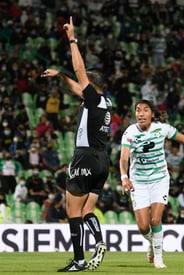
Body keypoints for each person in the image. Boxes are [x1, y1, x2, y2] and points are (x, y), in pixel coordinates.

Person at [119, 99, 184, 269]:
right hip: (138, 182)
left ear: (152, 114)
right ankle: (152, 243)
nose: (140, 113)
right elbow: (124, 158)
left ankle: (159, 258)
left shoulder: (162, 128)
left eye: (145, 110)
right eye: (138, 110)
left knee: (155, 220)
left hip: (159, 180)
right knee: (142, 226)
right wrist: (124, 177)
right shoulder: (129, 133)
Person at [41, 16, 112, 272]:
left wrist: (72, 38)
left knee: (72, 210)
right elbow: (75, 86)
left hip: (84, 157)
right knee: (87, 210)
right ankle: (100, 242)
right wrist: (60, 75)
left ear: (92, 87)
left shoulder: (92, 99)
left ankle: (79, 259)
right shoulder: (104, 103)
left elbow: (80, 74)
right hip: (102, 159)